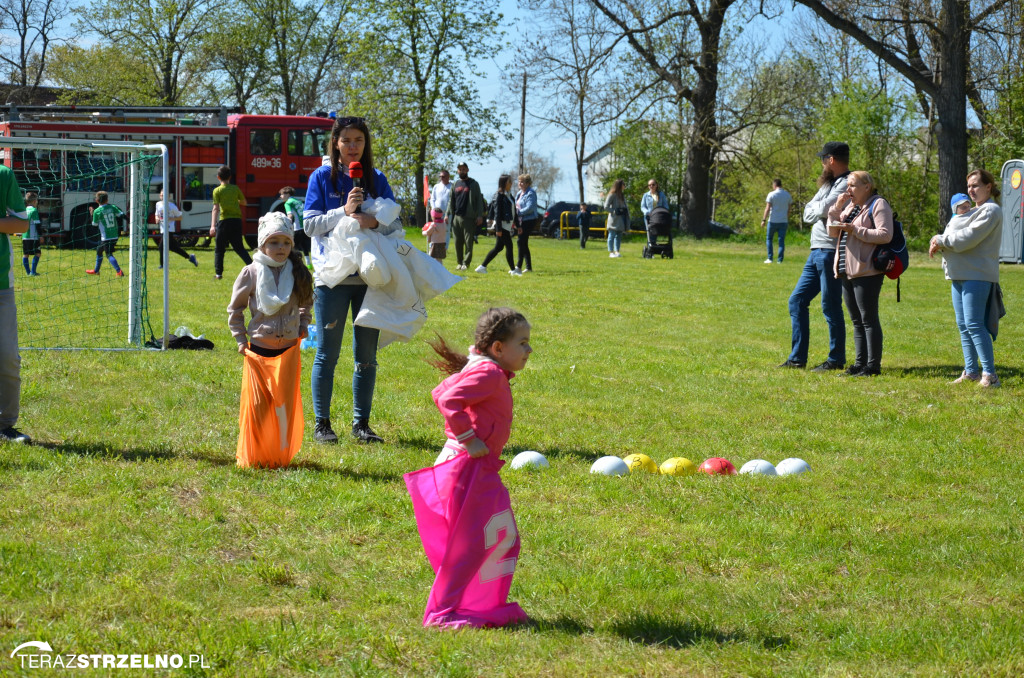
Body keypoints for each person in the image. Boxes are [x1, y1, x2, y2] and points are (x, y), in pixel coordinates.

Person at [404, 307, 533, 628]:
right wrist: (467, 438)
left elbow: (441, 390)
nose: (529, 350)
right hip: (467, 467)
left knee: (501, 538)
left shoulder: (487, 370)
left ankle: (476, 605)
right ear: (498, 348)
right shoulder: (488, 373)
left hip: (480, 468)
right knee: (472, 544)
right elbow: (448, 400)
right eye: (523, 342)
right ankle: (442, 614)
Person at [303, 116, 402, 444]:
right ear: (335, 143)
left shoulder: (376, 179)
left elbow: (395, 226)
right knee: (327, 354)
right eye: (346, 140)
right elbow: (309, 226)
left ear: (365, 144)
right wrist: (343, 211)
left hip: (369, 280)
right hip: (331, 280)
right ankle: (322, 424)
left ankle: (362, 425)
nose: (352, 146)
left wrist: (374, 222)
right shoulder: (320, 178)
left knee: (366, 356)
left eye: (358, 140)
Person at [228, 212, 314, 467]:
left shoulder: (298, 272)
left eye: (286, 243)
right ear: (262, 244)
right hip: (259, 348)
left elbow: (306, 302)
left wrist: (302, 324)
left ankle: (278, 455)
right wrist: (240, 338)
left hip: (287, 349)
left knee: (283, 407)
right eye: (274, 242)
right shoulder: (251, 272)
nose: (281, 248)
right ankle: (255, 455)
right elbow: (235, 309)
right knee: (258, 407)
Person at [929, 171, 1004, 387]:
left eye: (976, 186)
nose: (971, 190)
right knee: (963, 325)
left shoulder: (990, 210)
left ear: (989, 187)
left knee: (974, 324)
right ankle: (971, 371)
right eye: (969, 186)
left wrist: (940, 239)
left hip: (977, 275)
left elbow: (967, 238)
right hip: (960, 274)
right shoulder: (974, 210)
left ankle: (990, 375)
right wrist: (939, 239)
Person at [780, 141, 851, 371]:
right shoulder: (828, 184)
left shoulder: (847, 184)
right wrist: (817, 207)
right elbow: (808, 211)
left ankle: (836, 359)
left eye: (823, 159)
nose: (821, 164)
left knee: (830, 306)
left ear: (831, 160)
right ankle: (797, 358)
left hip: (830, 251)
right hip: (816, 252)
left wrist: (818, 207)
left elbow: (820, 210)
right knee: (797, 301)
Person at [826, 171, 893, 377]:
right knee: (856, 320)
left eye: (853, 185)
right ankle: (858, 364)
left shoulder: (878, 204)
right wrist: (837, 208)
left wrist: (855, 230)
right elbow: (832, 232)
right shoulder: (851, 206)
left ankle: (872, 366)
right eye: (848, 185)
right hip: (847, 270)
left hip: (867, 270)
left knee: (868, 319)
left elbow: (885, 235)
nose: (849, 190)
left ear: (867, 186)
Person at [0, 164, 30, 443]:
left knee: (8, 358)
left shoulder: (3, 174)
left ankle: (5, 425)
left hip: (1, 288)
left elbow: (21, 223)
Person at [210, 165, 251, 280]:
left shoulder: (217, 190)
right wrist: (235, 200)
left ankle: (218, 274)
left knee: (219, 249)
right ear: (230, 177)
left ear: (218, 177)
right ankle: (253, 267)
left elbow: (215, 208)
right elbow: (244, 202)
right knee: (239, 248)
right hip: (236, 221)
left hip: (224, 221)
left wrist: (213, 225)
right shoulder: (235, 188)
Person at [446, 163, 485, 271]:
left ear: (467, 170)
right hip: (456, 217)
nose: (462, 171)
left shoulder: (473, 184)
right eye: (460, 169)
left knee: (468, 242)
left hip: (469, 217)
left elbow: (479, 202)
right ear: (457, 171)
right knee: (457, 242)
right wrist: (447, 214)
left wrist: (479, 215)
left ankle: (466, 263)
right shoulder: (455, 184)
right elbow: (451, 200)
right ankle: (459, 262)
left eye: (464, 169)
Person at [477, 175, 518, 275]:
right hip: (501, 226)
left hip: (507, 225)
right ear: (504, 183)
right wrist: (498, 229)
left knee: (498, 248)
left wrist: (517, 225)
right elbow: (497, 213)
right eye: (509, 182)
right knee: (509, 246)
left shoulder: (509, 195)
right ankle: (513, 270)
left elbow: (513, 211)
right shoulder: (499, 196)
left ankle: (482, 267)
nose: (511, 184)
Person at [154, 190, 199, 269]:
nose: (163, 197)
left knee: (161, 247)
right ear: (159, 196)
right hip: (162, 229)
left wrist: (170, 218)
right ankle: (190, 257)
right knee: (173, 248)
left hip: (169, 229)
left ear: (169, 197)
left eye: (165, 195)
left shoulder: (172, 206)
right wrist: (157, 218)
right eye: (161, 195)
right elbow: (156, 215)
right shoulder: (158, 204)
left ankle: (162, 265)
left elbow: (180, 217)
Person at [86, 191, 125, 277]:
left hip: (106, 237)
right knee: (99, 250)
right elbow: (122, 215)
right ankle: (96, 270)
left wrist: (92, 214)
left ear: (96, 201)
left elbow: (94, 225)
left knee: (109, 254)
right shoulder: (112, 207)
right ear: (107, 199)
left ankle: (119, 271)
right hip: (115, 234)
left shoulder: (97, 211)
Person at [761, 178, 792, 263]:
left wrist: (763, 219)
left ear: (774, 185)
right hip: (783, 221)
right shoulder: (787, 195)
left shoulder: (771, 194)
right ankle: (779, 260)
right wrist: (787, 218)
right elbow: (789, 209)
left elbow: (767, 208)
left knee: (769, 239)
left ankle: (770, 258)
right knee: (781, 241)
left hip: (773, 220)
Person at [280, 186, 311, 269]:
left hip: (298, 228)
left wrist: (287, 225)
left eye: (282, 194)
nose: (281, 196)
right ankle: (308, 264)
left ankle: (293, 265)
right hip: (305, 226)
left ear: (287, 194)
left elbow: (290, 215)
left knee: (292, 247)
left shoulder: (288, 203)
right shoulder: (297, 201)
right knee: (304, 245)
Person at [514, 174, 538, 273]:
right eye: (519, 181)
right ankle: (528, 267)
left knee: (521, 241)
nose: (520, 183)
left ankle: (519, 266)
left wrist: (518, 213)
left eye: (522, 182)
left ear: (528, 183)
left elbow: (530, 207)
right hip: (521, 220)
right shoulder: (519, 193)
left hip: (529, 219)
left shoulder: (531, 193)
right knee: (523, 242)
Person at [604, 179, 629, 258]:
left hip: (621, 219)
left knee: (619, 236)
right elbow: (606, 206)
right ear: (619, 185)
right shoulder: (612, 194)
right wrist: (614, 211)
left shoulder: (622, 195)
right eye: (623, 184)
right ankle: (611, 252)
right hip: (614, 219)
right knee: (611, 235)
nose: (624, 186)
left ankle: (617, 251)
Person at [429, 169, 453, 248]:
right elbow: (432, 199)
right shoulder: (436, 186)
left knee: (446, 230)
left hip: (447, 213)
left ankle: (444, 247)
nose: (441, 178)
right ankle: (433, 245)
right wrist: (433, 210)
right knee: (434, 229)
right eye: (440, 176)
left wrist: (448, 213)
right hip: (436, 213)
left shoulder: (452, 186)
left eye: (443, 176)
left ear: (448, 177)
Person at [21, 191, 41, 276]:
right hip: (33, 237)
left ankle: (28, 272)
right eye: (37, 200)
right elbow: (37, 224)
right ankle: (33, 272)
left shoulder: (24, 210)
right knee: (38, 253)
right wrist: (41, 235)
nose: (37, 202)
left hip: (24, 236)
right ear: (34, 201)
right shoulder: (34, 210)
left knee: (26, 254)